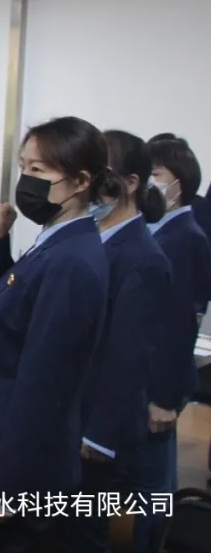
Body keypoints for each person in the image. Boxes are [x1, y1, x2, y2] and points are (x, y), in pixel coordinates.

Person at [0, 116, 110, 553]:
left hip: (10, 470)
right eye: (23, 167)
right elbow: (15, 302)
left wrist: (6, 488)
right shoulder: (53, 240)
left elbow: (45, 383)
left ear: (81, 181)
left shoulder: (72, 260)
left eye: (38, 170)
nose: (26, 180)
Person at [63, 130, 171, 553]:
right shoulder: (89, 238)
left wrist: (99, 436)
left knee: (85, 533)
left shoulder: (141, 257)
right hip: (70, 412)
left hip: (97, 428)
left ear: (130, 183)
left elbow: (128, 355)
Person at [143, 139, 211, 523]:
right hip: (153, 375)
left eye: (155, 175)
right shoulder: (163, 230)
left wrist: (164, 398)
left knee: (153, 477)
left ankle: (152, 539)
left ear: (178, 183)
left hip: (162, 384)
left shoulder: (185, 237)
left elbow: (181, 323)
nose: (148, 183)